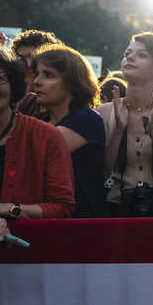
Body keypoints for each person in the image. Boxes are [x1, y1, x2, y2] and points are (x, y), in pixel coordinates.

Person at [98, 32, 153, 217]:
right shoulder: (104, 112)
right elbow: (100, 174)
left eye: (142, 55)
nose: (130, 57)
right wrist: (118, 132)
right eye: (127, 53)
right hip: (117, 209)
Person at [0, 44, 75, 242]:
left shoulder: (46, 136)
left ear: (14, 85)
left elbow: (63, 207)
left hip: (28, 255)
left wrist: (9, 209)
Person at [31, 45, 108, 217]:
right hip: (45, 217)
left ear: (73, 83)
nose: (37, 81)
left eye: (48, 75)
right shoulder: (41, 121)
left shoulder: (87, 119)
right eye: (37, 73)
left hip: (81, 222)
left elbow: (31, 156)